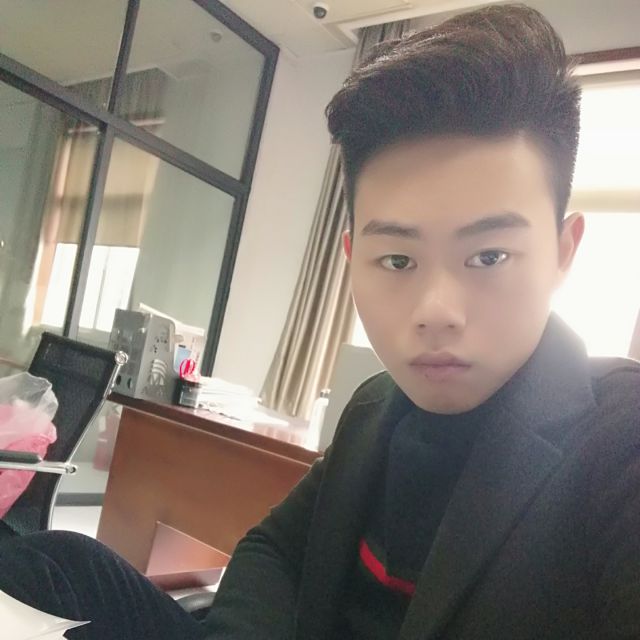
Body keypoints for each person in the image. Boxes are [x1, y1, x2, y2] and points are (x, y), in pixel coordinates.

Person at [1, 3, 639, 639]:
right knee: (59, 561)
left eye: (489, 256)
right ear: (352, 257)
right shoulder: (376, 407)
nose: (436, 311)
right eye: (398, 259)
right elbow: (275, 550)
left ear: (564, 252)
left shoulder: (619, 445)